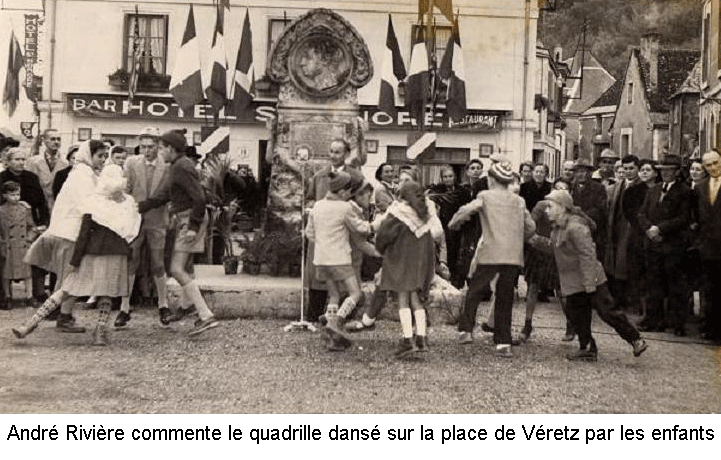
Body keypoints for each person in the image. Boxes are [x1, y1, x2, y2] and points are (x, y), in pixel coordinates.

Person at [529, 189, 648, 361]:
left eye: (549, 206)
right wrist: (535, 240)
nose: (546, 210)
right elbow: (556, 248)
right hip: (575, 282)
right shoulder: (559, 227)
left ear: (562, 208)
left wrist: (590, 284)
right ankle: (587, 348)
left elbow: (588, 256)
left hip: (590, 279)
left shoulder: (575, 227)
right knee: (578, 315)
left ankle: (636, 339)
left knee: (608, 312)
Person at [12, 140, 109, 338]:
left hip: (66, 231)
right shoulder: (84, 176)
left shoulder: (80, 173)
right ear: (89, 156)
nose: (103, 160)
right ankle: (62, 317)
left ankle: (62, 315)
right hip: (71, 233)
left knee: (69, 277)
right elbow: (90, 206)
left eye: (105, 156)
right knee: (70, 278)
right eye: (100, 155)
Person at [449, 159, 535, 357]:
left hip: (490, 252)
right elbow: (531, 228)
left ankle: (466, 330)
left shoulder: (485, 196)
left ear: (492, 179)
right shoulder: (519, 201)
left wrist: (454, 224)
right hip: (512, 255)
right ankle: (503, 342)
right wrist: (517, 239)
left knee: (475, 291)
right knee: (505, 297)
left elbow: (466, 210)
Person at [138, 129, 219, 336]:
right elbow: (165, 195)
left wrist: (192, 227)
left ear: (171, 148)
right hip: (188, 218)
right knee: (186, 267)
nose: (159, 151)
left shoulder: (182, 166)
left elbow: (199, 198)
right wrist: (138, 206)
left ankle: (206, 315)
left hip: (189, 219)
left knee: (175, 268)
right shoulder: (177, 165)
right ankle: (186, 306)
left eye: (162, 147)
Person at [54, 165, 141, 345]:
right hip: (115, 252)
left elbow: (84, 233)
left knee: (68, 288)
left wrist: (75, 259)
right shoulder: (127, 202)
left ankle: (30, 323)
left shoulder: (94, 202)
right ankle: (99, 332)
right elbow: (132, 231)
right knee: (105, 294)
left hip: (93, 252)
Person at [306, 170, 372, 351]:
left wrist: (324, 243)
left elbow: (309, 234)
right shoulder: (345, 208)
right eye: (348, 191)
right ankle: (336, 324)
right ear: (342, 191)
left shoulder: (317, 206)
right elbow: (361, 228)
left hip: (320, 258)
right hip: (340, 258)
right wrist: (376, 224)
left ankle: (329, 336)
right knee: (355, 293)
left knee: (333, 295)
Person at [115, 126, 170, 328]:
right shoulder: (131, 162)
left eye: (151, 146)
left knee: (158, 263)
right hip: (134, 221)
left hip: (157, 221)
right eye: (144, 146)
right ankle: (124, 307)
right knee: (131, 261)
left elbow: (170, 193)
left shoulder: (167, 165)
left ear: (158, 145)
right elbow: (125, 190)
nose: (147, 150)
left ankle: (163, 305)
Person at [375, 180, 437, 357]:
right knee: (416, 299)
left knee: (402, 299)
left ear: (402, 195)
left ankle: (407, 339)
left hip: (401, 261)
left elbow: (384, 235)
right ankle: (422, 337)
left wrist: (380, 249)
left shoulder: (397, 213)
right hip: (420, 263)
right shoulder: (424, 215)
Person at [305, 139, 358, 323]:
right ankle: (315, 315)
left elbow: (363, 202)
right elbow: (310, 198)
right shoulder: (320, 176)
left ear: (346, 154)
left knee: (345, 278)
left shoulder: (355, 176)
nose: (333, 155)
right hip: (321, 235)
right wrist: (311, 208)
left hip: (343, 233)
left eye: (338, 152)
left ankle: (343, 318)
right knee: (318, 277)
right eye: (331, 151)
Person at [637, 154, 691, 336]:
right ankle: (653, 320)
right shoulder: (653, 190)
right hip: (652, 244)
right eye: (663, 171)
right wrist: (649, 230)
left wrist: (660, 229)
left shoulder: (684, 192)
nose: (666, 174)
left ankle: (677, 323)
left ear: (677, 172)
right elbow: (641, 214)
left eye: (670, 171)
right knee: (653, 283)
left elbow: (683, 218)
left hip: (672, 245)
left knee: (675, 285)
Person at [1, 147, 51, 303]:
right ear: (8, 162)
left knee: (36, 257)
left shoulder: (32, 178)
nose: (21, 162)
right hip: (6, 225)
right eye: (17, 159)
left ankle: (38, 291)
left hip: (29, 224)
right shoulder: (1, 178)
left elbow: (42, 202)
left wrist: (44, 223)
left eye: (23, 159)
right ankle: (4, 295)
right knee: (4, 261)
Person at [604, 155, 643, 313]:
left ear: (637, 169)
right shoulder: (617, 186)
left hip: (632, 231)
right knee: (615, 265)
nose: (628, 172)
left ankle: (632, 302)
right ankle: (618, 300)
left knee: (628, 264)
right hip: (616, 229)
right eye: (625, 169)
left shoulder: (643, 187)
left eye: (631, 168)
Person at [690, 150, 721, 343]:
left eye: (716, 163)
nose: (713, 168)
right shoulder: (700, 187)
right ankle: (710, 329)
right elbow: (695, 217)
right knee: (709, 289)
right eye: (708, 165)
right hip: (708, 248)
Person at [0, 181, 40, 307]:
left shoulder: (25, 209)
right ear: (4, 195)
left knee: (27, 273)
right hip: (8, 246)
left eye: (18, 194)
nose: (16, 197)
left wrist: (29, 240)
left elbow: (32, 227)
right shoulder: (1, 211)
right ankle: (7, 297)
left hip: (23, 245)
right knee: (6, 274)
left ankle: (29, 296)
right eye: (12, 194)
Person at [426, 165, 468, 286]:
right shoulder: (436, 191)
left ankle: (456, 282)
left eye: (450, 176)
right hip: (442, 225)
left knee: (457, 253)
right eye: (445, 177)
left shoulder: (462, 192)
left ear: (454, 177)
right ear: (441, 178)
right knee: (443, 253)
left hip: (458, 227)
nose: (448, 179)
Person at [570, 158, 608, 261]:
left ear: (589, 173)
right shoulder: (570, 188)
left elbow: (600, 209)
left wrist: (582, 217)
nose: (580, 174)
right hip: (572, 233)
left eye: (583, 171)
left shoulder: (598, 188)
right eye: (577, 171)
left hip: (592, 232)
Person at [26, 129, 68, 211]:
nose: (56, 142)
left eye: (58, 139)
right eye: (52, 139)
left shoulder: (66, 163)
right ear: (44, 141)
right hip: (39, 206)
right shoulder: (33, 162)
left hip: (59, 207)